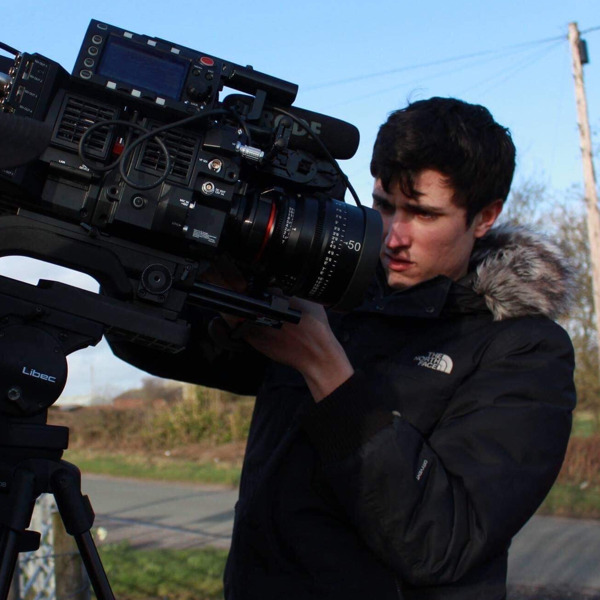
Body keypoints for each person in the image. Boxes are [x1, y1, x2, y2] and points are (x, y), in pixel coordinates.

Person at [110, 97, 576, 599]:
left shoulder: (524, 349)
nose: (393, 237)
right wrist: (161, 263)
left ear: (484, 216)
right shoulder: (333, 298)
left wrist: (325, 370)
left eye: (422, 214)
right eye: (383, 206)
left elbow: (439, 543)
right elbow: (158, 343)